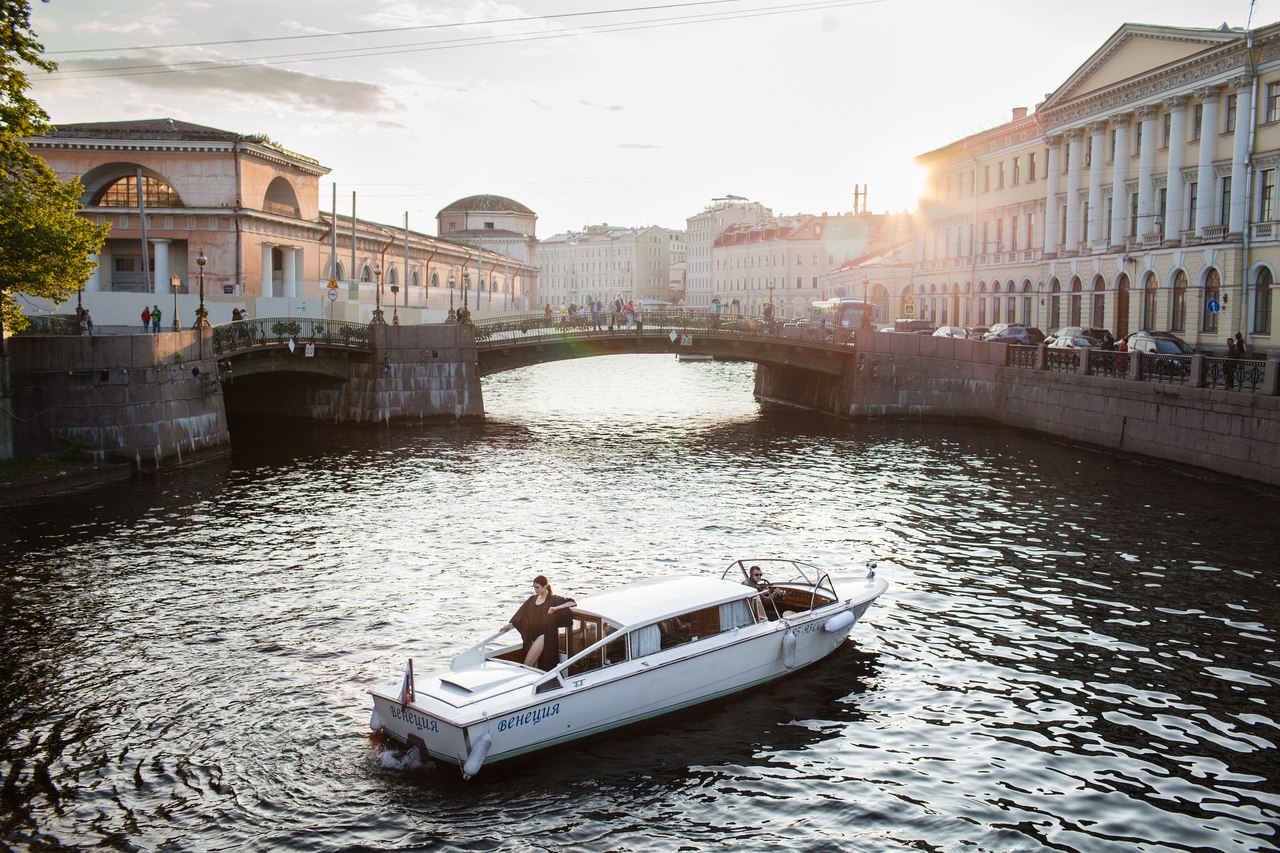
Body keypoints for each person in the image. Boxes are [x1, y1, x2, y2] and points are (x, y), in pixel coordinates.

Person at [499, 575, 576, 670]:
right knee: (535, 665)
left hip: (544, 636)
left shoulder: (553, 599)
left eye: (537, 587)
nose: (535, 590)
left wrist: (556, 608)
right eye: (534, 587)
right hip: (531, 635)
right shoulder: (532, 599)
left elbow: (572, 602)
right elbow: (521, 613)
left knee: (527, 664)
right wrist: (510, 624)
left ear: (545, 586)